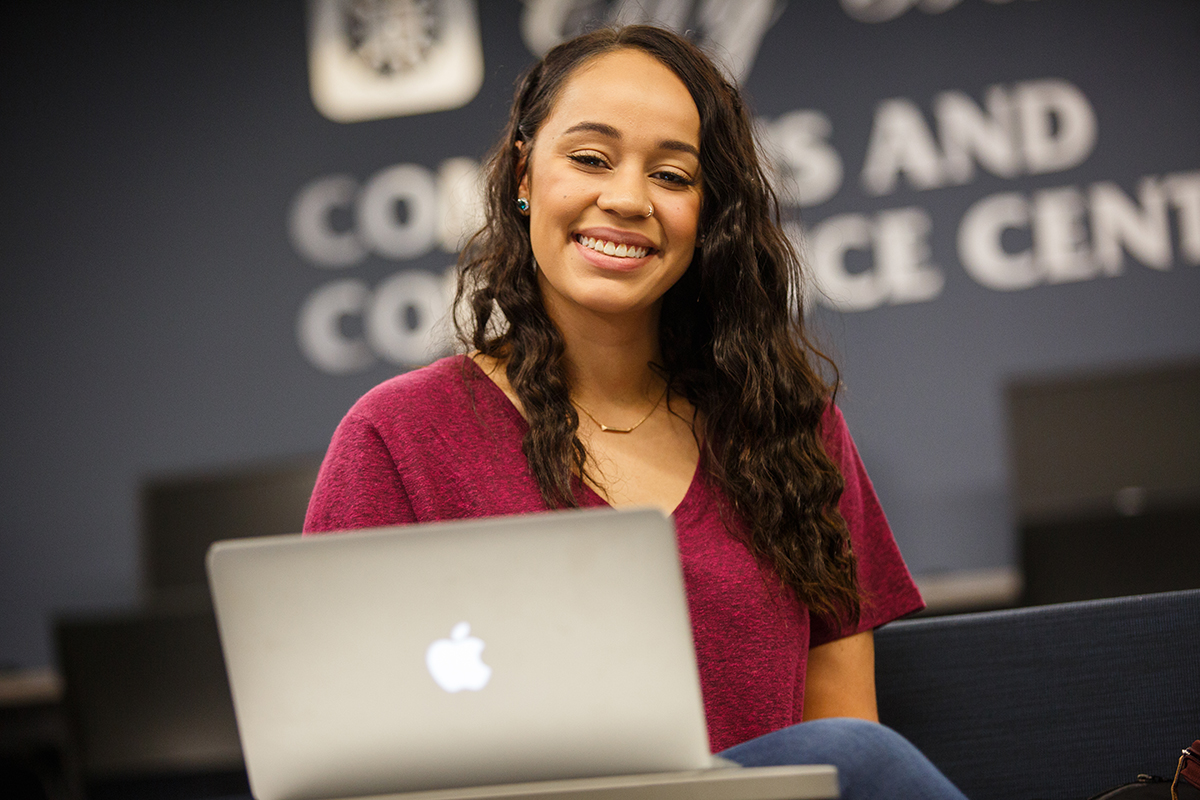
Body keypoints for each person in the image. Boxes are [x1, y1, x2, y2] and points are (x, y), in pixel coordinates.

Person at [305, 24, 968, 800]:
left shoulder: (791, 430)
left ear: (708, 210)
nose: (625, 199)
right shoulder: (398, 436)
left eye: (672, 176)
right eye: (589, 158)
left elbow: (845, 752)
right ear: (525, 173)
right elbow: (327, 749)